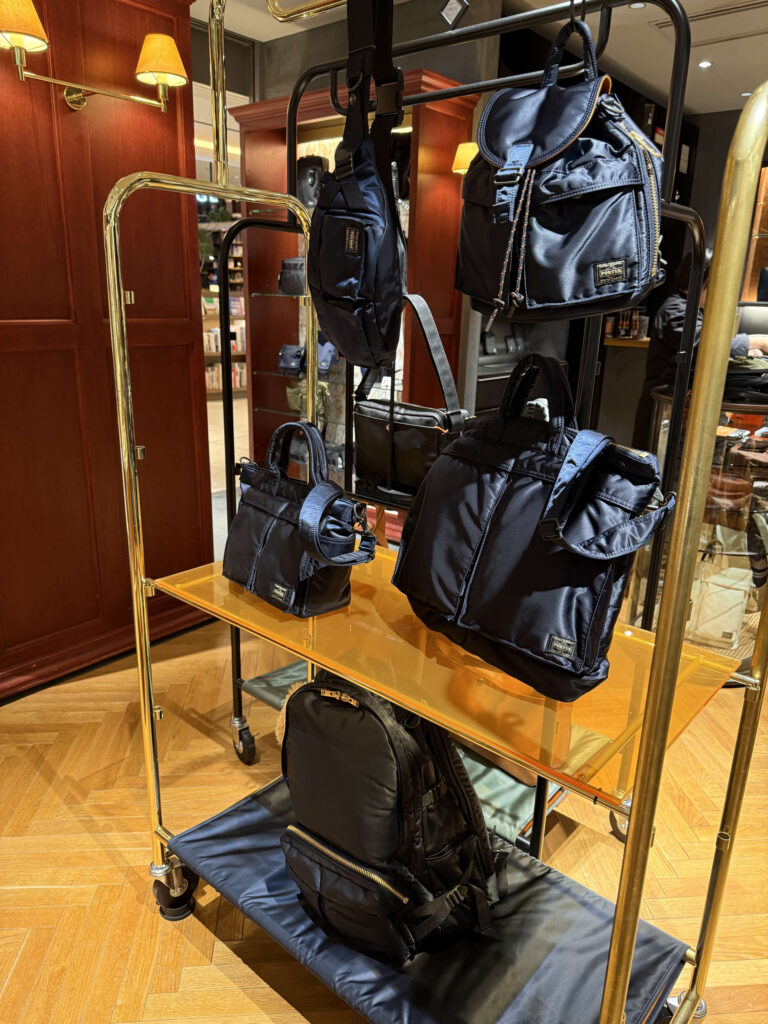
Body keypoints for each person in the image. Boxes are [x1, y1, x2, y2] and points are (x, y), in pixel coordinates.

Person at [632, 253, 768, 448]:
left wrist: (743, 352)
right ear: (700, 280)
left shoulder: (693, 308)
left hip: (680, 405)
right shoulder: (675, 309)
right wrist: (758, 342)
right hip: (666, 406)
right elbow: (703, 343)